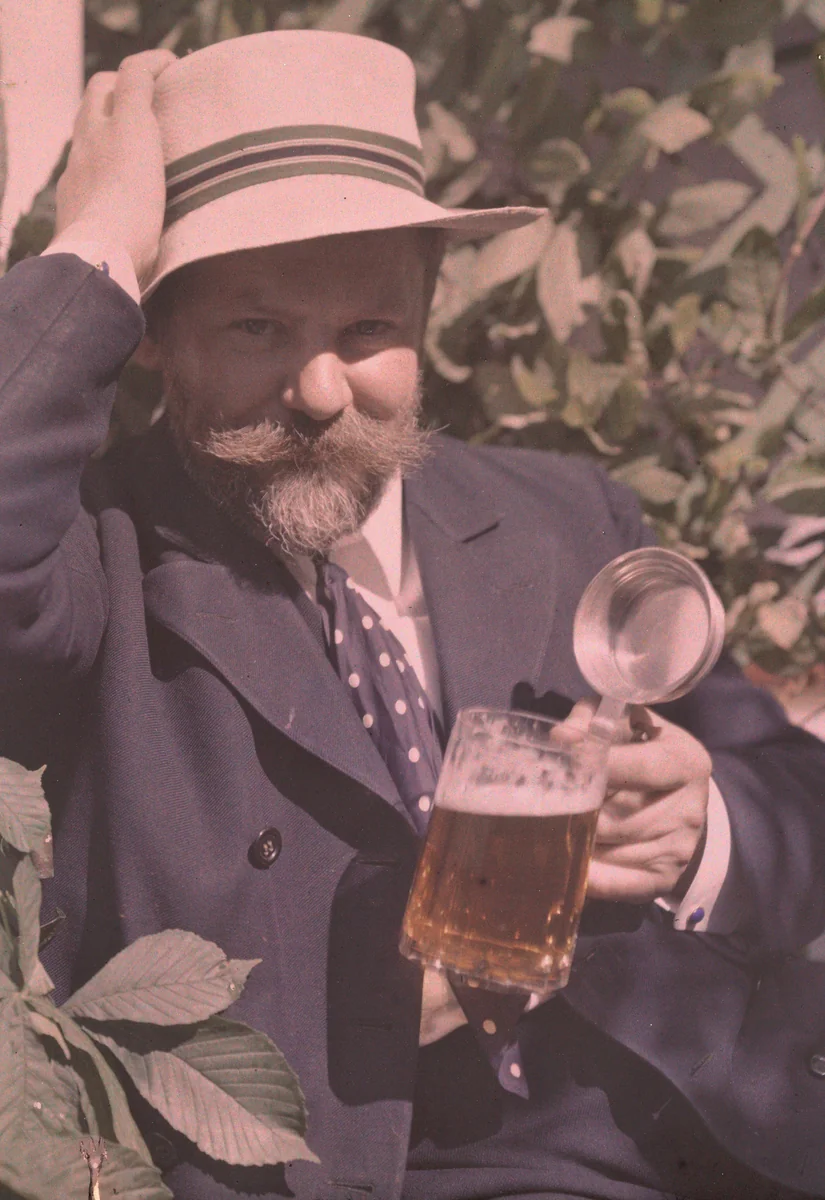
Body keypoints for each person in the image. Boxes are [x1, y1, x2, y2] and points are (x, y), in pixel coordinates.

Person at [1, 30, 824, 1200]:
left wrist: (705, 831)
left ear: (427, 315)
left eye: (368, 332)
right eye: (256, 330)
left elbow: (803, 806)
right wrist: (88, 250)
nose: (320, 392)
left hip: (713, 1125)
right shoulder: (95, 558)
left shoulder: (568, 514)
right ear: (156, 332)